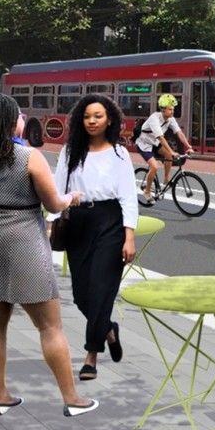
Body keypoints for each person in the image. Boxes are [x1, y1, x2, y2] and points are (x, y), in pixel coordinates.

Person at [0, 93, 97, 417]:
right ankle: (72, 399)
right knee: (50, 327)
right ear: (9, 121)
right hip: (22, 241)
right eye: (19, 115)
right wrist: (71, 197)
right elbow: (52, 204)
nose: (23, 119)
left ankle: (1, 397)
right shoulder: (29, 157)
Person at [52, 94, 136, 382]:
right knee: (81, 295)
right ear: (80, 119)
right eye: (87, 116)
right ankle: (109, 330)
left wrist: (129, 237)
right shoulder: (70, 151)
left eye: (98, 116)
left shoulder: (119, 154)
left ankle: (91, 356)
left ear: (109, 119)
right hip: (78, 221)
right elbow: (56, 190)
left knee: (101, 289)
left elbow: (128, 197)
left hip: (111, 222)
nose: (92, 121)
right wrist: (52, 223)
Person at [136, 94, 192, 206]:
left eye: (173, 109)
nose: (172, 111)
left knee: (168, 156)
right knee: (155, 166)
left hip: (154, 143)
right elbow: (161, 138)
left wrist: (189, 146)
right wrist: (171, 151)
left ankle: (166, 178)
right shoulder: (154, 118)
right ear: (163, 110)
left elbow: (179, 133)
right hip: (144, 144)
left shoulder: (171, 119)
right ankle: (147, 192)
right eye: (170, 109)